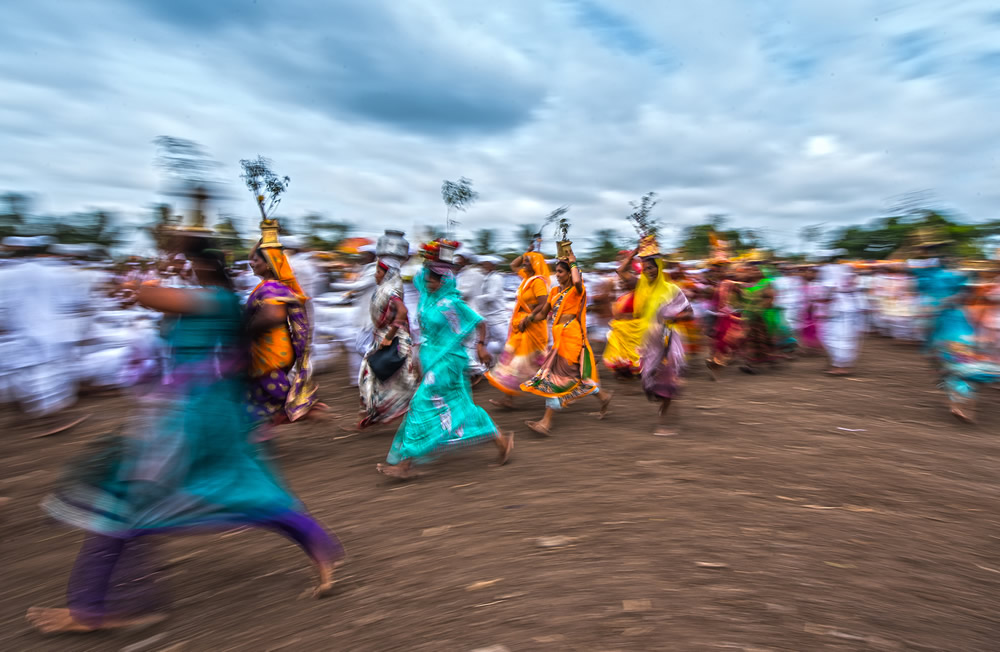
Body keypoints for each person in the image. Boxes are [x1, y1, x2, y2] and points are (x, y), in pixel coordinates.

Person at [26, 234, 343, 636]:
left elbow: (154, 298)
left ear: (200, 264)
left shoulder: (217, 301)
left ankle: (107, 607)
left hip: (196, 417)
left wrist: (141, 281)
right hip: (188, 411)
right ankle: (318, 544)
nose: (175, 267)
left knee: (129, 502)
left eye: (180, 261)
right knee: (235, 489)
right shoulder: (210, 299)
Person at [376, 259, 513, 480]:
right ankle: (500, 440)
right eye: (428, 278)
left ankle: (405, 464)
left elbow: (479, 322)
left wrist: (480, 346)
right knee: (462, 406)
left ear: (442, 281)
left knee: (420, 403)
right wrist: (430, 257)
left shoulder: (450, 303)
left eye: (433, 279)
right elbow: (418, 277)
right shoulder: (428, 298)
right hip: (431, 359)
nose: (428, 281)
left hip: (448, 361)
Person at [521, 252, 612, 435]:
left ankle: (546, 422)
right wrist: (529, 319)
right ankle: (603, 396)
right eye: (556, 271)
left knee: (555, 376)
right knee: (573, 376)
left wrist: (572, 261)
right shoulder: (555, 292)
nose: (557, 274)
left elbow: (578, 282)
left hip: (572, 337)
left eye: (561, 272)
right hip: (558, 338)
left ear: (570, 273)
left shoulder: (578, 290)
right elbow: (543, 313)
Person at [245, 241, 319, 425]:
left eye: (255, 260)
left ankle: (309, 410)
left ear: (269, 263)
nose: (251, 264)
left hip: (270, 352)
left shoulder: (272, 288)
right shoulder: (267, 286)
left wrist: (242, 330)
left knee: (277, 395)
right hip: (268, 350)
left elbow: (273, 316)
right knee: (262, 396)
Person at [628, 254, 692, 435]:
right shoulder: (642, 290)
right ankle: (666, 409)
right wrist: (634, 252)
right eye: (645, 268)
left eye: (651, 267)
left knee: (667, 379)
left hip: (668, 340)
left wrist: (673, 317)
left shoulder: (671, 289)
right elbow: (621, 272)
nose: (648, 271)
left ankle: (664, 422)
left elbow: (689, 313)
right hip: (649, 342)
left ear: (659, 267)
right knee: (649, 380)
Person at [485, 250, 551, 408]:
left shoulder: (538, 282)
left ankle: (568, 384)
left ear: (535, 264)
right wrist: (527, 253)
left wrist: (528, 319)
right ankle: (508, 399)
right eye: (525, 261)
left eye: (528, 261)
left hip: (532, 326)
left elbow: (544, 304)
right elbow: (513, 264)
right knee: (514, 361)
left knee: (532, 363)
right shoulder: (527, 279)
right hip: (521, 326)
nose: (524, 263)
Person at [358, 257, 417, 428]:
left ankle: (420, 414)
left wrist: (390, 336)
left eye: (378, 272)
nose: (375, 276)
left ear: (387, 274)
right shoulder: (385, 288)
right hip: (384, 338)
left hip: (395, 340)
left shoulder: (391, 290)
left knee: (405, 381)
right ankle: (374, 412)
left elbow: (402, 310)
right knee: (370, 374)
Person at [934, 279, 1000, 423]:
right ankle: (962, 408)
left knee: (960, 376)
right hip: (970, 351)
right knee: (969, 377)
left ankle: (958, 405)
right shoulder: (978, 309)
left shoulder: (961, 310)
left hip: (959, 349)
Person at [329, 245, 378, 386]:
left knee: (362, 346)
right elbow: (357, 289)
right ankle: (366, 376)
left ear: (371, 256)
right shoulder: (365, 269)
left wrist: (334, 284)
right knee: (361, 346)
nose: (361, 257)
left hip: (370, 315)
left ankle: (379, 369)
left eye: (364, 254)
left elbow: (359, 286)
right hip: (362, 314)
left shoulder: (374, 270)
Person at [602, 249, 644, 377]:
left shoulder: (642, 282)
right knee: (622, 356)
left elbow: (621, 271)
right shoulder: (626, 290)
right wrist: (632, 255)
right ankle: (627, 369)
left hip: (637, 325)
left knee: (638, 352)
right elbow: (620, 271)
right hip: (624, 326)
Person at [817, 259, 863, 375]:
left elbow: (827, 294)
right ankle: (838, 364)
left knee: (838, 339)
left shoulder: (833, 279)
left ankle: (840, 367)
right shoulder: (843, 276)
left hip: (840, 312)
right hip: (843, 312)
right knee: (836, 338)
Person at [475, 255, 511, 357]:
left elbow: (492, 296)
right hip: (488, 317)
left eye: (486, 264)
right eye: (483, 264)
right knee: (483, 342)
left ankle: (506, 364)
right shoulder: (487, 277)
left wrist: (477, 299)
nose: (483, 266)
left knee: (505, 342)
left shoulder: (496, 278)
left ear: (493, 266)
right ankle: (486, 364)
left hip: (497, 318)